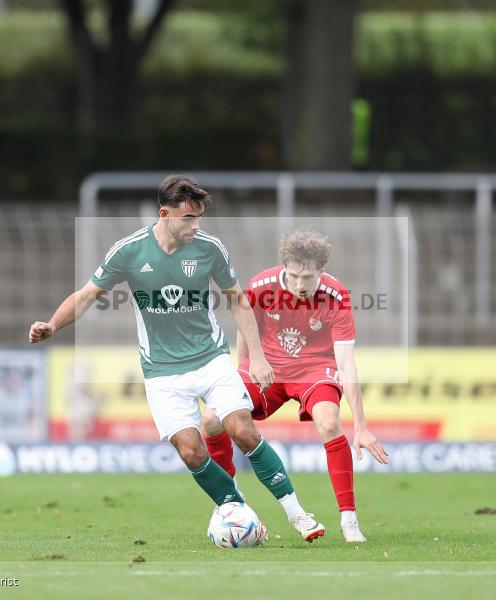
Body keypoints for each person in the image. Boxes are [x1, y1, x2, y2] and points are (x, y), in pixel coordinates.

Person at [28, 175, 325, 542]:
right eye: (188, 218)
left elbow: (237, 300)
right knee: (190, 450)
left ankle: (298, 515)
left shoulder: (210, 248)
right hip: (162, 371)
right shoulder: (129, 251)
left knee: (242, 430)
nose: (196, 226)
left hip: (211, 359)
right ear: (164, 214)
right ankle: (238, 510)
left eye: (199, 218)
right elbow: (88, 294)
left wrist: (258, 357)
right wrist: (52, 325)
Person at [201, 229, 389, 543]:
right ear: (284, 266)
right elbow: (245, 331)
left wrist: (362, 426)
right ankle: (229, 502)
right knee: (210, 419)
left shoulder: (336, 295)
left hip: (315, 368)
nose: (300, 285)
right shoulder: (261, 286)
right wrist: (243, 371)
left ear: (322, 272)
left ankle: (349, 520)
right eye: (294, 276)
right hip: (269, 365)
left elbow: (346, 364)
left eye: (308, 277)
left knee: (329, 423)